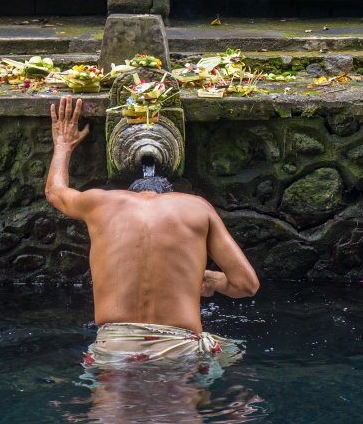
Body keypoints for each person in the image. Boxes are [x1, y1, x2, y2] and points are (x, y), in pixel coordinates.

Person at [45, 95, 260, 367]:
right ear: (170, 194)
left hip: (114, 348)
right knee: (228, 357)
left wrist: (63, 144)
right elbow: (247, 285)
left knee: (106, 407)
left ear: (129, 190)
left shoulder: (100, 203)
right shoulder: (197, 208)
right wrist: (207, 280)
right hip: (178, 349)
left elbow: (55, 192)